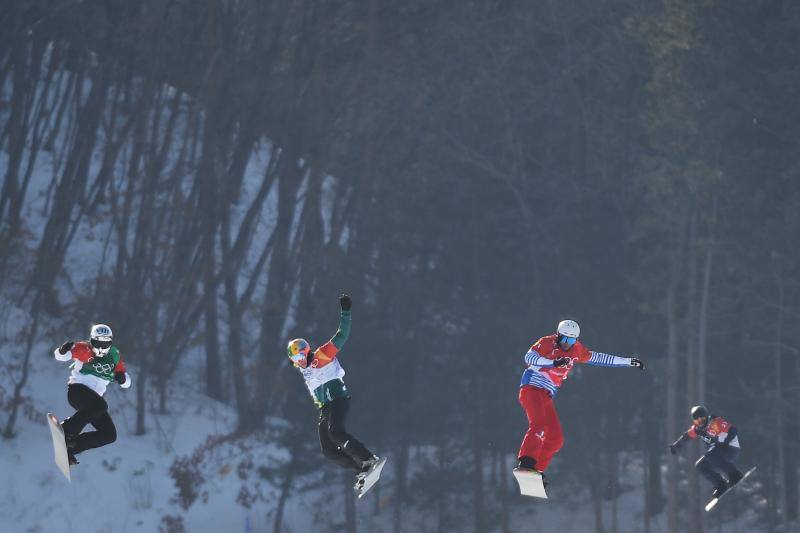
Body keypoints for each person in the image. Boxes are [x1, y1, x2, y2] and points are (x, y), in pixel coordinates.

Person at [515, 319, 645, 482]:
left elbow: (598, 357)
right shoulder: (547, 343)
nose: (566, 344)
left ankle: (535, 472)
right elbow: (529, 358)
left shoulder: (576, 350)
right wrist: (552, 362)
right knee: (539, 425)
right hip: (531, 389)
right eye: (564, 339)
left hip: (546, 395)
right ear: (558, 335)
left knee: (555, 439)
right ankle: (526, 463)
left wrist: (627, 361)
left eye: (571, 340)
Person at [286, 294, 382, 490]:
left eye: (302, 354)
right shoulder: (305, 371)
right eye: (296, 359)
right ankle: (362, 471)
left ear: (307, 351)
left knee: (336, 432)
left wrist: (346, 312)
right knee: (328, 450)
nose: (300, 360)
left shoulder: (320, 357)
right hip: (325, 409)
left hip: (338, 399)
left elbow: (342, 336)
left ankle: (369, 460)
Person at [53, 324, 131, 465]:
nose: (100, 347)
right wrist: (62, 350)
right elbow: (62, 356)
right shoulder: (84, 349)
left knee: (109, 435)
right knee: (101, 405)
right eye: (97, 342)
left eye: (104, 343)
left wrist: (123, 379)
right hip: (77, 391)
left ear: (110, 343)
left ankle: (71, 449)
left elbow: (127, 381)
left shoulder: (114, 355)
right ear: (91, 341)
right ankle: (66, 429)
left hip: (94, 403)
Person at [669, 405, 744, 498]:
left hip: (730, 448)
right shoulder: (697, 429)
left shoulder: (715, 422)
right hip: (718, 453)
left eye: (702, 419)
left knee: (710, 454)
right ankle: (721, 485)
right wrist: (676, 446)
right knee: (700, 466)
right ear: (694, 421)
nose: (701, 422)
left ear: (706, 416)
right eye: (697, 421)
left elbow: (733, 430)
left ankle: (735, 474)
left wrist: (724, 441)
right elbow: (687, 436)